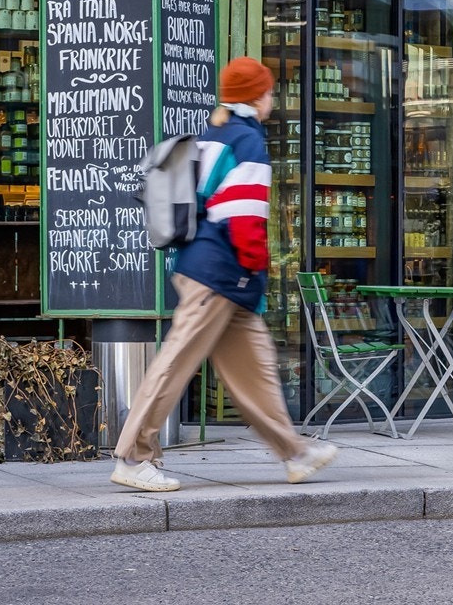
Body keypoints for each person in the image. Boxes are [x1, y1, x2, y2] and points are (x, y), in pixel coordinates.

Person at [111, 58, 337, 492]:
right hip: (220, 275)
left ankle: (295, 454)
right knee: (175, 364)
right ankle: (133, 457)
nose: (273, 98)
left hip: (215, 273)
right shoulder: (247, 140)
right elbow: (246, 219)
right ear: (259, 96)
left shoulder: (214, 133)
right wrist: (255, 269)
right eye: (270, 91)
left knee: (256, 371)